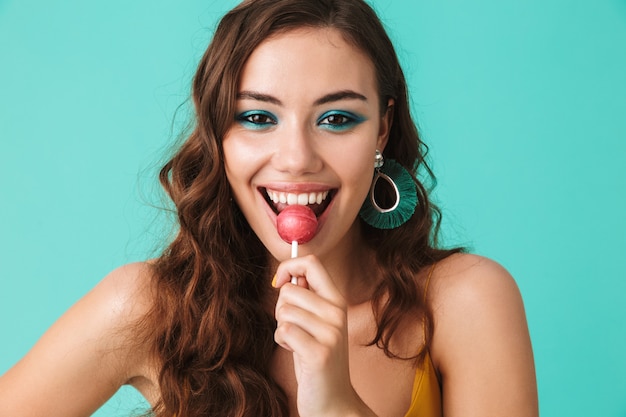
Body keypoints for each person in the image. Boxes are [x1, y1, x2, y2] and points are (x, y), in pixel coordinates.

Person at [0, 0, 538, 416]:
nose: (297, 159)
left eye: (337, 119)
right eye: (258, 118)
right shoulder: (151, 309)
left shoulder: (463, 303)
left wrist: (337, 402)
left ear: (384, 126)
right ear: (219, 137)